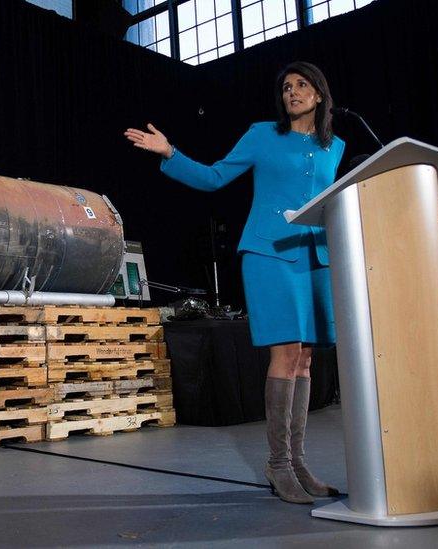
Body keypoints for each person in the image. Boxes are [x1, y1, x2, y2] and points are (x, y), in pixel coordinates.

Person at [124, 61, 344, 504]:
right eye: (286, 87)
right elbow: (215, 176)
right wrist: (170, 153)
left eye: (302, 86)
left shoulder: (334, 146)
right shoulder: (263, 134)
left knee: (305, 359)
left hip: (315, 256)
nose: (293, 92)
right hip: (270, 253)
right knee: (284, 353)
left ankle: (298, 461)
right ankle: (277, 464)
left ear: (319, 95)